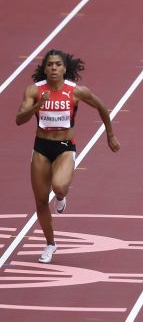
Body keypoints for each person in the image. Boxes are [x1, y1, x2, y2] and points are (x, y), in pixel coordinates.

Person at [15, 49, 120, 263]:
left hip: (64, 146)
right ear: (44, 68)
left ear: (65, 68)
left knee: (59, 187)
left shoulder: (76, 91)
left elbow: (101, 107)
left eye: (58, 64)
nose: (54, 68)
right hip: (41, 146)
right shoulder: (34, 91)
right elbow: (19, 119)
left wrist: (110, 135)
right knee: (41, 200)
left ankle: (61, 197)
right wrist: (37, 105)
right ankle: (50, 244)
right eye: (50, 64)